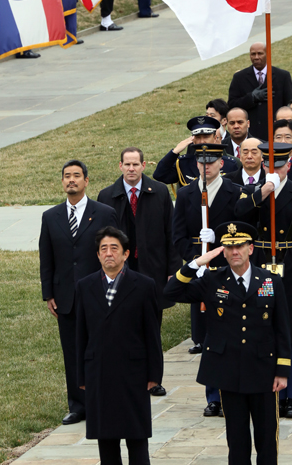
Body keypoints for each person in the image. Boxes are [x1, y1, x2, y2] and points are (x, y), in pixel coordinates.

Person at [164, 221, 291, 465]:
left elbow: (282, 328)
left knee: (267, 439)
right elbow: (170, 293)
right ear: (222, 250)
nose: (235, 252)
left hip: (263, 370)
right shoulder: (212, 280)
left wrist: (283, 370)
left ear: (250, 249)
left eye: (240, 246)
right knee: (237, 440)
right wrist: (195, 264)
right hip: (229, 370)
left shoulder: (270, 280)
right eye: (229, 247)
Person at [235, 143, 292, 419]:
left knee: (291, 332)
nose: (275, 170)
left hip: (290, 268)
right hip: (260, 267)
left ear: (289, 165)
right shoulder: (252, 191)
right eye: (270, 165)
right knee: (263, 330)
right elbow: (240, 213)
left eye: (281, 166)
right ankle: (269, 390)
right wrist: (263, 191)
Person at [172, 144, 253, 416]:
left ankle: (232, 388)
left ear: (222, 164)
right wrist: (197, 261)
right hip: (201, 272)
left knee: (230, 332)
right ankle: (213, 396)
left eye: (212, 162)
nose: (206, 167)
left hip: (228, 269)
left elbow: (240, 233)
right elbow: (178, 237)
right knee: (207, 337)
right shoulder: (185, 194)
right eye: (201, 162)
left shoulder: (235, 192)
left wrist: (218, 251)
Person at [97, 147, 182, 396]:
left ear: (144, 166)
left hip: (152, 272)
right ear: (120, 166)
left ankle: (153, 380)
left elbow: (171, 233)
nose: (132, 169)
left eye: (136, 164)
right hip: (120, 273)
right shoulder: (106, 196)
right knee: (121, 327)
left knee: (151, 329)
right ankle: (126, 378)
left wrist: (172, 269)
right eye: (127, 164)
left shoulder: (159, 192)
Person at [39, 160, 118, 425]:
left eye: (76, 176)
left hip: (98, 294)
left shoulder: (104, 212)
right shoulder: (50, 217)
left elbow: (115, 254)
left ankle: (104, 400)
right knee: (72, 352)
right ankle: (78, 405)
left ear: (86, 181)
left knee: (101, 349)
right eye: (66, 176)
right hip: (66, 298)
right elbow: (46, 258)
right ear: (62, 182)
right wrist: (48, 293)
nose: (71, 180)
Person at [76, 227, 163, 465]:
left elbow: (152, 334)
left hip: (133, 374)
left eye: (114, 248)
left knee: (137, 440)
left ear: (126, 254)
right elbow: (81, 335)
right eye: (103, 249)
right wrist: (81, 375)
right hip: (99, 373)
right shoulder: (85, 286)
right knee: (106, 441)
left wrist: (155, 373)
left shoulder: (144, 285)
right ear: (97, 255)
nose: (108, 253)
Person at [227, 41, 292, 140]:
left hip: (274, 134)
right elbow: (232, 105)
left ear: (267, 54)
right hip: (250, 134)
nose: (256, 57)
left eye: (260, 53)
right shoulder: (239, 77)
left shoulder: (282, 76)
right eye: (253, 54)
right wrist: (251, 98)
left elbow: (289, 105)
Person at [153, 115, 238, 188]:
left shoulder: (229, 164)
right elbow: (160, 175)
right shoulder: (184, 163)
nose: (202, 141)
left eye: (206, 136)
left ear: (215, 138)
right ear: (192, 139)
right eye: (198, 137)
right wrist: (174, 152)